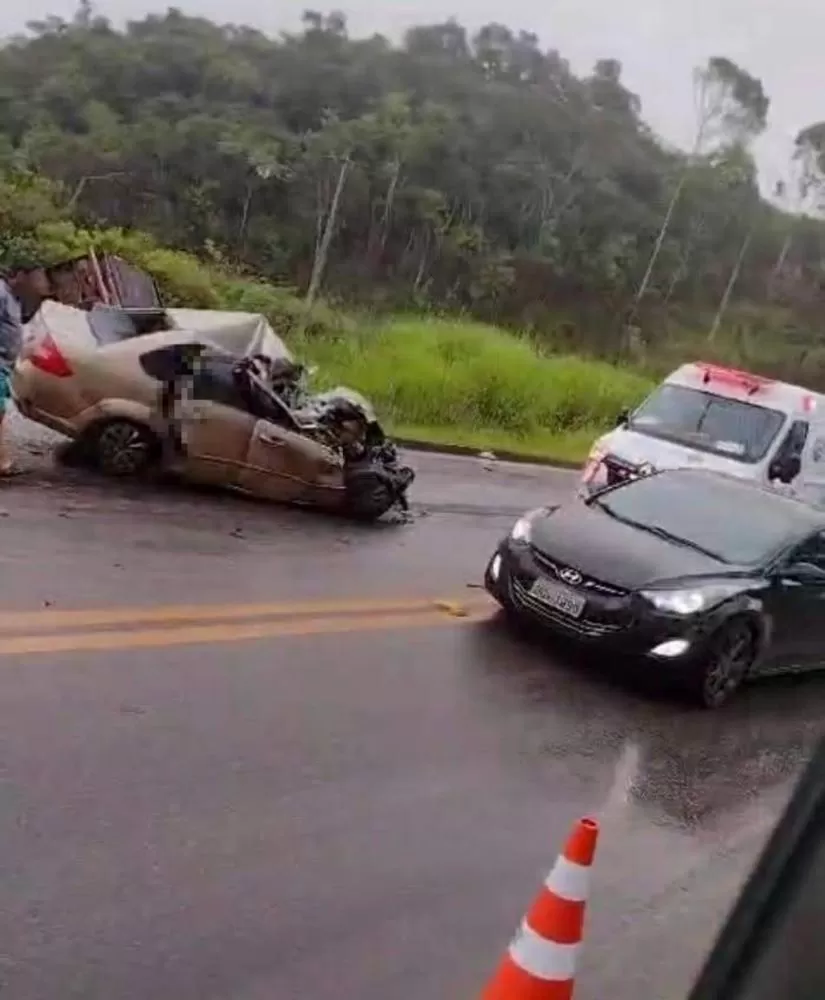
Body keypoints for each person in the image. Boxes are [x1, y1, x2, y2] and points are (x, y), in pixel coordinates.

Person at [0, 263, 50, 475]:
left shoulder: (14, 299)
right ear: (20, 275)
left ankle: (2, 461)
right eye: (34, 278)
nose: (37, 284)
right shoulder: (1, 293)